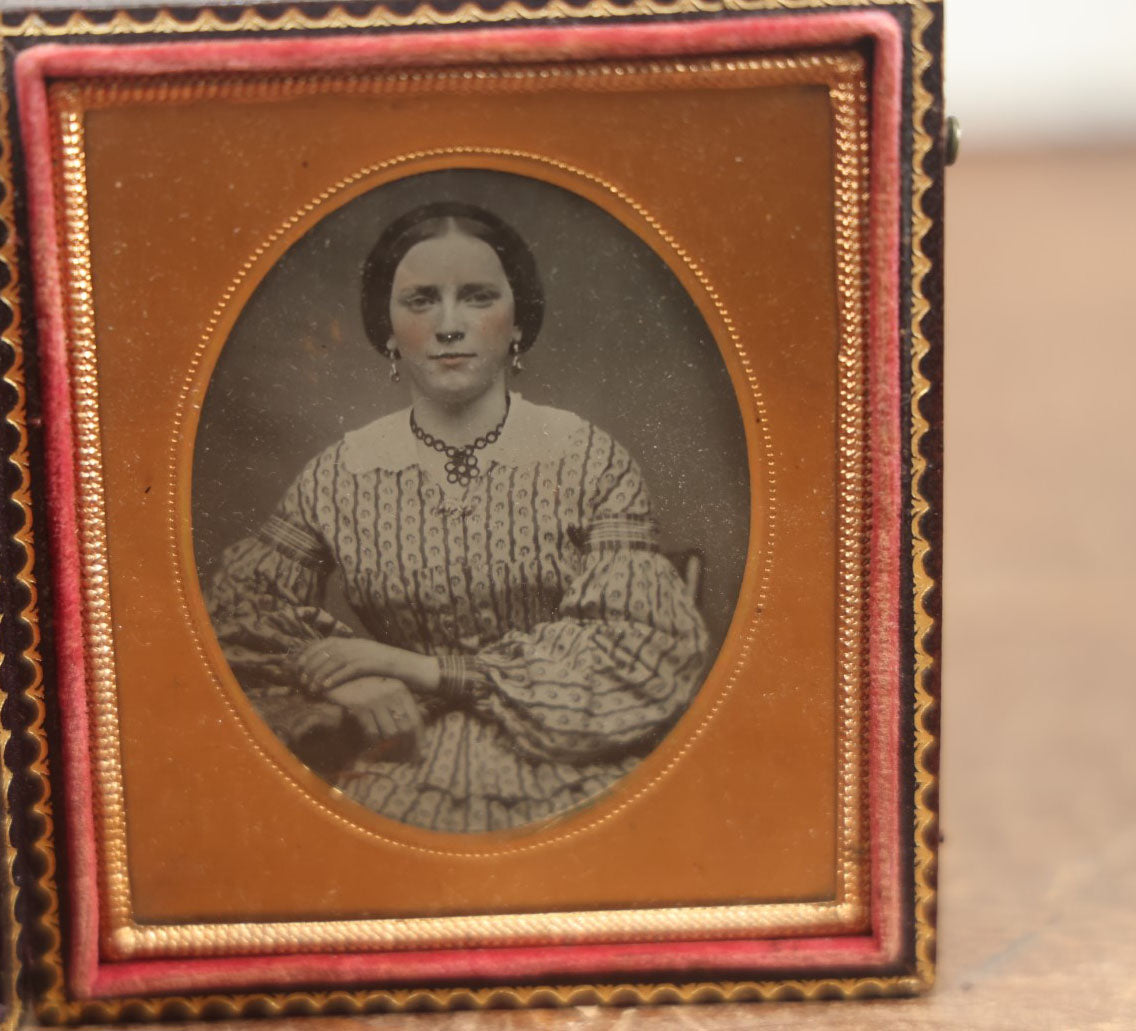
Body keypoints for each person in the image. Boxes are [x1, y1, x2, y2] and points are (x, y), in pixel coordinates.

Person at [205, 201, 709, 833]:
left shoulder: (586, 459)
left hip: (570, 768)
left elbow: (637, 651)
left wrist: (416, 668)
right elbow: (236, 622)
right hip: (397, 755)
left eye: (476, 297)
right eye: (420, 301)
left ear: (517, 320)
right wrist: (340, 682)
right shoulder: (342, 472)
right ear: (385, 328)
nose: (448, 325)